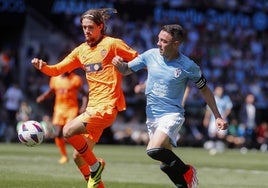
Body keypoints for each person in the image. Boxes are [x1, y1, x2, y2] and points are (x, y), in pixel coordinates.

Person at [31, 8, 138, 188]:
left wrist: (126, 68)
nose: (86, 31)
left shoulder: (113, 44)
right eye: (84, 27)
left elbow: (139, 59)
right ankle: (97, 180)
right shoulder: (81, 51)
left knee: (67, 131)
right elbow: (57, 69)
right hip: (92, 109)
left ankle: (96, 166)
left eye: (90, 27)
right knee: (78, 157)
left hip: (107, 107)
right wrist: (43, 67)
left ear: (100, 27)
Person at [112, 24, 228, 188]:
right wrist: (119, 64)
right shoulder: (150, 55)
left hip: (172, 114)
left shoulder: (188, 66)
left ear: (176, 44)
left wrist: (217, 116)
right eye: (159, 39)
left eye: (164, 41)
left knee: (153, 150)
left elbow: (205, 90)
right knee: (165, 164)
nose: (158, 43)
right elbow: (125, 70)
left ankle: (187, 170)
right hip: (152, 116)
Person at [36, 72, 87, 164]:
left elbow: (84, 94)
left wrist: (83, 106)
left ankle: (83, 152)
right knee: (58, 133)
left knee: (70, 133)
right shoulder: (55, 79)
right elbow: (51, 91)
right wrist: (43, 97)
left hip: (71, 109)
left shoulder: (75, 79)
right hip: (59, 110)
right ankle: (64, 156)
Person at [203, 85, 233, 153]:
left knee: (221, 134)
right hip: (213, 120)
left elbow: (229, 108)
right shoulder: (212, 98)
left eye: (221, 90)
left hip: (222, 119)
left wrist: (224, 116)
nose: (220, 92)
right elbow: (208, 110)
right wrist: (206, 119)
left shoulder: (226, 98)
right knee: (212, 133)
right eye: (218, 90)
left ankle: (219, 144)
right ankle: (213, 145)